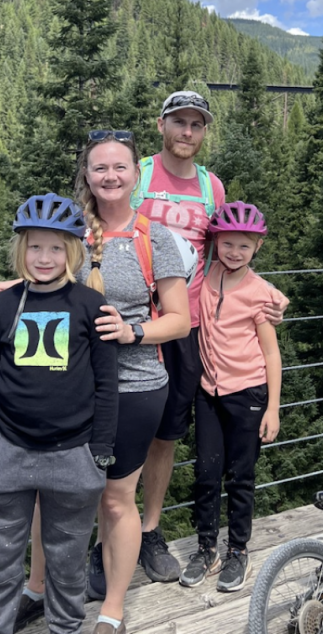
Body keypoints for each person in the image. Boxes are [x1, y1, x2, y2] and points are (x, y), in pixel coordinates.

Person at [0, 132, 191, 634]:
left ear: (135, 174)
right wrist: (8, 297)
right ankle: (38, 587)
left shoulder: (154, 238)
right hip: (66, 386)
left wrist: (132, 331)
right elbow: (49, 274)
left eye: (120, 167)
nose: (111, 176)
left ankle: (112, 610)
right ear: (87, 175)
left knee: (116, 498)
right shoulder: (78, 230)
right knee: (42, 490)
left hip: (135, 386)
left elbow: (179, 320)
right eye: (100, 168)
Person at [125, 90, 289, 583]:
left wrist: (267, 297)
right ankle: (113, 534)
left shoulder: (211, 186)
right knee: (117, 433)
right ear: (162, 125)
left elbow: (226, 252)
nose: (187, 132)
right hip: (130, 322)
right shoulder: (138, 175)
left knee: (167, 435)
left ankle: (148, 534)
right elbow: (97, 229)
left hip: (184, 329)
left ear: (203, 132)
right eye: (180, 122)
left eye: (197, 125)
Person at [0, 193, 119, 634]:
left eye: (56, 247)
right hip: (6, 450)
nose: (44, 257)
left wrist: (101, 451)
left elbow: (106, 384)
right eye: (35, 246)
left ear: (73, 250)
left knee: (68, 562)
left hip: (74, 454)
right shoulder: (0, 306)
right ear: (21, 249)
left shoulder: (92, 308)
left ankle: (65, 628)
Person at [177, 201, 281, 592]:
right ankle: (207, 547)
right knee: (205, 473)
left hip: (248, 393)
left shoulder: (260, 294)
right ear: (215, 242)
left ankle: (237, 550)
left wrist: (272, 407)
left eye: (244, 246)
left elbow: (271, 353)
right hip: (209, 391)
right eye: (227, 243)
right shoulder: (208, 274)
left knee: (241, 475)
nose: (234, 252)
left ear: (257, 249)